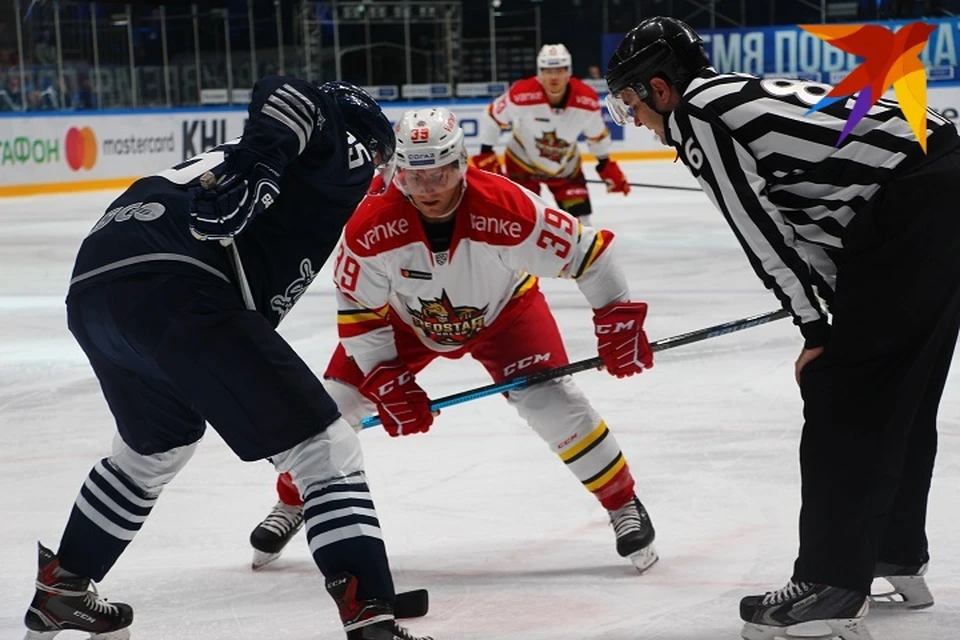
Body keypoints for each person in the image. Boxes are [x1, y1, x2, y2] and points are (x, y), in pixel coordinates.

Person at [21, 76, 433, 640]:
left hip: (96, 291)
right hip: (176, 283)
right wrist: (258, 167)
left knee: (155, 448)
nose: (378, 175)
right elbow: (289, 91)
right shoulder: (341, 152)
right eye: (381, 160)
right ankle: (372, 618)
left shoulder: (258, 172)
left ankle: (62, 589)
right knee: (325, 449)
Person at [605, 16, 960, 640]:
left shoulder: (698, 115)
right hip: (938, 189)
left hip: (914, 208)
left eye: (631, 103)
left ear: (660, 88)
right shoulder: (734, 93)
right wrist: (838, 304)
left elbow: (765, 234)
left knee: (840, 395)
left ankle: (831, 583)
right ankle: (892, 552)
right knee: (903, 392)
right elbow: (814, 214)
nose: (633, 119)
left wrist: (817, 330)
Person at [247, 106, 659, 578]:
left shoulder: (507, 207)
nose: (428, 189)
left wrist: (616, 320)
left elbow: (591, 256)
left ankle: (622, 502)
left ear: (461, 163)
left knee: (552, 403)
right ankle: (293, 500)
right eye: (414, 176)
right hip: (404, 324)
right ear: (398, 173)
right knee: (333, 410)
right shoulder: (371, 225)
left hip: (505, 314)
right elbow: (359, 310)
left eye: (439, 174)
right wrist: (385, 376)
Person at [473, 43, 631, 227]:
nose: (554, 76)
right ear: (540, 72)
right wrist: (486, 153)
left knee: (580, 223)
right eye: (548, 71)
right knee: (523, 222)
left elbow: (597, 136)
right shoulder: (521, 94)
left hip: (565, 169)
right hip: (522, 166)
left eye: (559, 70)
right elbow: (491, 117)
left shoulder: (586, 100)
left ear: (568, 71)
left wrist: (605, 165)